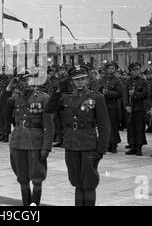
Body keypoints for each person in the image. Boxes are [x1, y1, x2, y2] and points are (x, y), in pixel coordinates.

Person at [45, 65, 110, 206]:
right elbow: (49, 109)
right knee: (77, 182)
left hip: (88, 145)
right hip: (71, 144)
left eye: (82, 79)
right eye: (76, 80)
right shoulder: (66, 98)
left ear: (87, 80)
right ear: (72, 82)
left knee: (89, 183)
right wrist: (58, 91)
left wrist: (101, 149)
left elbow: (104, 125)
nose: (80, 82)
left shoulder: (95, 97)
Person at [6, 72, 54, 206]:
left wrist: (46, 147)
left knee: (37, 178)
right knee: (22, 178)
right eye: (23, 81)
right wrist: (9, 88)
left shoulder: (43, 98)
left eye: (30, 80)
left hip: (35, 142)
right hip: (18, 141)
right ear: (19, 83)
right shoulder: (16, 97)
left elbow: (49, 126)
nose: (27, 83)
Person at [123, 62, 148, 156]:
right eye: (133, 70)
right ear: (130, 71)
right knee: (131, 128)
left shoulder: (143, 82)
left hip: (139, 108)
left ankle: (139, 147)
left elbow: (145, 94)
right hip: (130, 109)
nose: (135, 72)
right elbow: (124, 95)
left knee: (139, 128)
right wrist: (126, 106)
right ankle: (132, 146)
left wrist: (135, 94)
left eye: (137, 69)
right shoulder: (127, 82)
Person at [98, 60, 122, 153]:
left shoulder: (117, 80)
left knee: (113, 126)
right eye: (109, 68)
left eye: (112, 68)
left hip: (113, 106)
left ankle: (114, 144)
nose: (111, 70)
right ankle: (107, 143)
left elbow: (119, 93)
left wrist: (108, 93)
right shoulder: (103, 79)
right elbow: (98, 90)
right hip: (104, 106)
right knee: (105, 125)